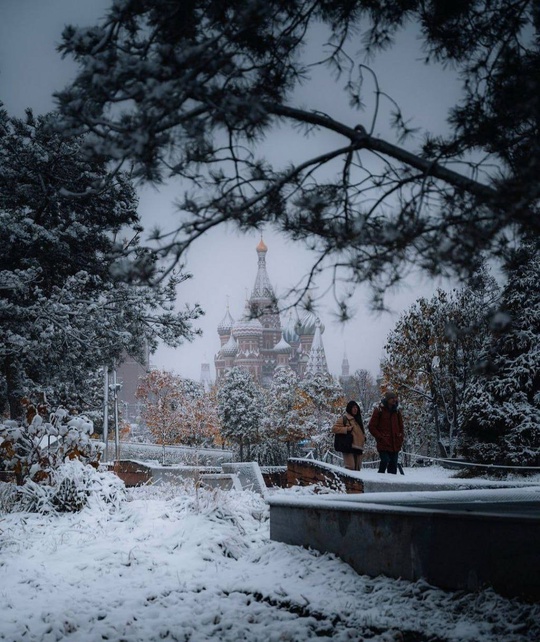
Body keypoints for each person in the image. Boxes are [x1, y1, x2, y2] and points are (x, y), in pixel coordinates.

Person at [368, 391, 404, 474]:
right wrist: (380, 437)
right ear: (387, 399)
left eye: (395, 398)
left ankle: (392, 485)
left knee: (393, 467)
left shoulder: (397, 412)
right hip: (383, 443)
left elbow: (401, 427)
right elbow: (371, 426)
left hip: (395, 444)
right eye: (392, 398)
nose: (394, 400)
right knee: (385, 461)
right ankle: (380, 480)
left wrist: (400, 437)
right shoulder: (379, 410)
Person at [332, 400, 366, 471]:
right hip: (348, 447)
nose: (355, 409)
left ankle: (354, 483)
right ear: (349, 408)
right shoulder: (345, 419)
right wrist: (346, 429)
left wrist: (363, 437)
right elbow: (334, 429)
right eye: (353, 407)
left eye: (356, 407)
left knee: (357, 469)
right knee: (350, 468)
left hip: (359, 448)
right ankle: (347, 482)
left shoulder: (358, 420)